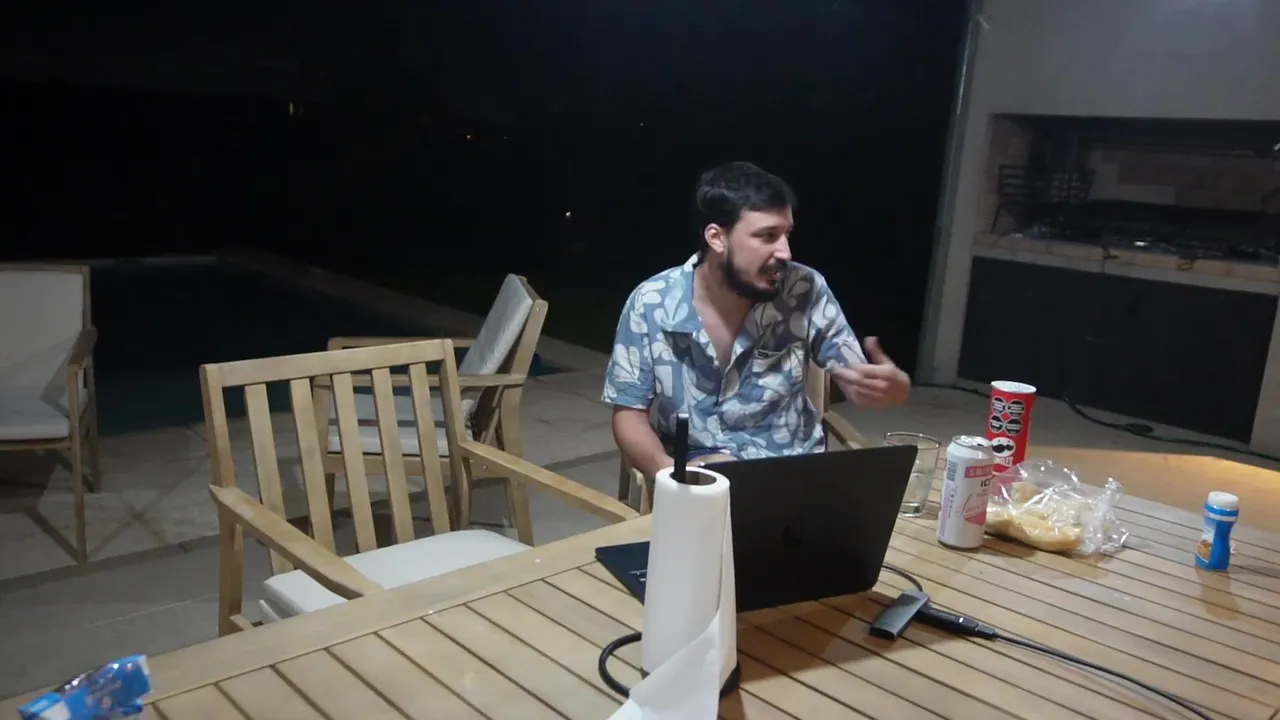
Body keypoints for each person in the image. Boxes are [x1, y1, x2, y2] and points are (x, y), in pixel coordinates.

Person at [602, 161, 912, 479]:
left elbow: (856, 375)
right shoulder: (651, 303)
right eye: (767, 236)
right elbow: (628, 412)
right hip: (697, 473)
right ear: (717, 238)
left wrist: (891, 388)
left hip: (793, 471)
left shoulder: (804, 290)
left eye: (787, 234)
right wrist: (665, 470)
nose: (785, 252)